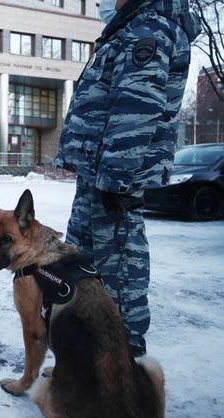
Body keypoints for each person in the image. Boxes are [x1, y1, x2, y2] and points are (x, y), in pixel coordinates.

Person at [55, 0, 200, 356]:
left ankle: (122, 372)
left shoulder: (148, 30)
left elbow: (137, 108)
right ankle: (88, 362)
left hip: (113, 183)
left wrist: (116, 182)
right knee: (81, 270)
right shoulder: (130, 28)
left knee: (118, 276)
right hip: (99, 177)